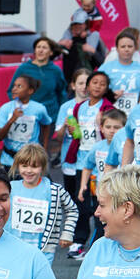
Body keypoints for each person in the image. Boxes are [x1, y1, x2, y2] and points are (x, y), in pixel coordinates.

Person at [6, 144, 77, 266]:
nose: (28, 170)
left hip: (43, 249)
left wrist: (67, 233)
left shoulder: (55, 190)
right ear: (18, 166)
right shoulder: (10, 188)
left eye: (34, 166)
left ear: (42, 167)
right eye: (24, 166)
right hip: (14, 247)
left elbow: (72, 209)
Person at [69, 71, 115, 256]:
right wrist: (73, 131)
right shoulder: (79, 107)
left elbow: (112, 133)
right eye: (94, 82)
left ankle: (98, 242)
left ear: (106, 89)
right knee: (80, 202)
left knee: (99, 204)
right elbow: (77, 134)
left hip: (100, 164)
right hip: (82, 161)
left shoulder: (107, 107)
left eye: (102, 84)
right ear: (87, 86)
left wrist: (101, 126)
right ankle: (79, 240)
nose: (97, 86)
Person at [0, 74, 53, 167]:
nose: (14, 89)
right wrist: (12, 120)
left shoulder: (39, 109)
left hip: (31, 159)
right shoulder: (6, 108)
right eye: (14, 85)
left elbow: (46, 125)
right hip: (9, 160)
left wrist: (44, 148)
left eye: (19, 86)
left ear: (30, 91)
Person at [8, 37, 68, 124]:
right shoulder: (23, 69)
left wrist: (62, 114)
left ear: (51, 52)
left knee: (45, 138)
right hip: (28, 116)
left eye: (44, 48)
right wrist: (19, 105)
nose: (40, 50)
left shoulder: (56, 70)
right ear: (35, 51)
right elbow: (11, 91)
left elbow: (62, 93)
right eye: (38, 47)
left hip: (49, 116)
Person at [55, 68, 90, 196]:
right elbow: (59, 138)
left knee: (90, 201)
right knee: (71, 198)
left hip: (89, 161)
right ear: (73, 85)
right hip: (70, 161)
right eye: (80, 83)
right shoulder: (65, 107)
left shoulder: (96, 106)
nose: (84, 87)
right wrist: (64, 126)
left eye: (87, 83)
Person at [100, 30, 140, 114]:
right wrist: (110, 95)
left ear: (135, 48)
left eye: (130, 46)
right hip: (112, 113)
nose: (126, 49)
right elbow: (95, 89)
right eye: (123, 46)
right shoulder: (106, 67)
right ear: (117, 48)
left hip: (138, 112)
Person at [61, 13, 106, 88]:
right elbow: (52, 56)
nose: (77, 26)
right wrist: (59, 44)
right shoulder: (67, 40)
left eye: (80, 24)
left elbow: (103, 63)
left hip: (87, 83)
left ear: (86, 25)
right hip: (69, 85)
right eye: (74, 24)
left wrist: (93, 52)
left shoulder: (93, 40)